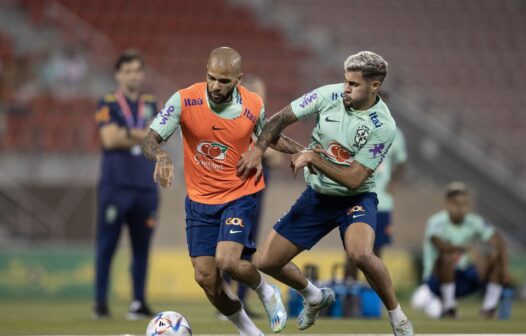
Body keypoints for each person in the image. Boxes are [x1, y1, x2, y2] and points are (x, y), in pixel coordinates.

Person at [237, 51, 414, 335]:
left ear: (375, 86)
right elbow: (279, 119)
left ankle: (397, 315)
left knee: (361, 255)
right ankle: (315, 296)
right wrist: (258, 151)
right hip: (317, 197)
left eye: (354, 84)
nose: (346, 88)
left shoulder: (384, 126)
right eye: (346, 81)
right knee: (266, 262)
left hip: (355, 199)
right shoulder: (327, 95)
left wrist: (312, 158)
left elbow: (355, 179)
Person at [141, 47, 302, 335]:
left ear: (238, 79)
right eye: (211, 78)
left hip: (239, 192)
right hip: (200, 200)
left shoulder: (253, 104)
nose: (216, 85)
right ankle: (250, 331)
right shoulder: (184, 99)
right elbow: (150, 139)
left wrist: (303, 152)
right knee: (206, 278)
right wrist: (161, 156)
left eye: (224, 81)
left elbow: (270, 137)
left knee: (227, 260)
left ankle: (267, 292)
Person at [94, 50, 158, 320]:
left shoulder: (153, 103)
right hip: (115, 187)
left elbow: (158, 139)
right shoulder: (106, 102)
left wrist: (127, 133)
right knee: (107, 246)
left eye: (137, 70)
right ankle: (100, 304)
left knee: (142, 249)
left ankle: (138, 302)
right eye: (128, 70)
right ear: (118, 74)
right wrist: (142, 133)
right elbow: (109, 140)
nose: (133, 75)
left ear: (142, 74)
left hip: (146, 188)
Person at [220, 74, 284, 319]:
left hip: (257, 196)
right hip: (235, 194)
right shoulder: (235, 120)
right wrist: (260, 149)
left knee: (249, 248)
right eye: (256, 94)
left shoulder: (265, 125)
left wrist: (259, 149)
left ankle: (244, 301)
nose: (260, 99)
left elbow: (276, 159)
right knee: (229, 247)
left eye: (262, 94)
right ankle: (225, 301)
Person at [412, 182, 512, 319]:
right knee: (447, 258)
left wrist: (504, 271)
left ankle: (488, 309)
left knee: (493, 258)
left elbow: (499, 241)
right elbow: (440, 246)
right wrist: (467, 248)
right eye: (456, 204)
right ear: (448, 204)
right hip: (437, 281)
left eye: (464, 204)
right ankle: (449, 308)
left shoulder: (475, 221)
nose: (461, 208)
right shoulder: (436, 221)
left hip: (464, 277)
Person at [345, 123, 408, 280]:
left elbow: (402, 161)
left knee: (376, 253)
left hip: (382, 201)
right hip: (356, 199)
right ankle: (350, 297)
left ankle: (373, 297)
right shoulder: (355, 126)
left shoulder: (394, 132)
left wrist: (393, 182)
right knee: (352, 253)